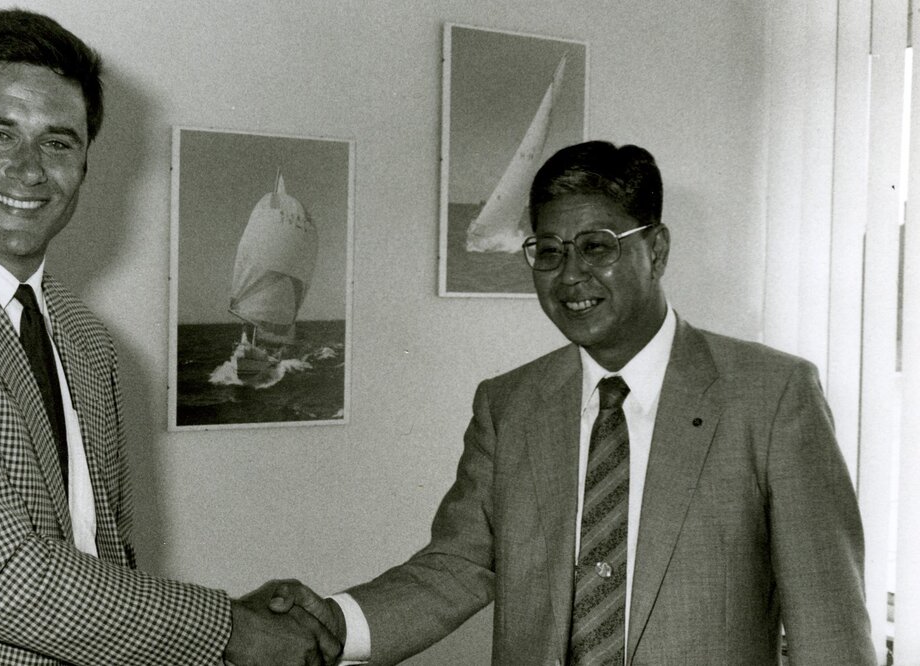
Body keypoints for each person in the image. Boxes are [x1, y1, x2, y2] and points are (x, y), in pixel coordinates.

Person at [0, 9, 337, 665]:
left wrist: (238, 621)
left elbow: (98, 558)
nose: (28, 170)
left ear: (84, 163)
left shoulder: (83, 335)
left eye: (57, 143)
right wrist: (229, 630)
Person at [269, 141, 876, 665]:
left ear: (657, 251)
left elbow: (830, 627)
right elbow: (454, 567)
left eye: (597, 247)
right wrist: (331, 622)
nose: (569, 276)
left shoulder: (771, 397)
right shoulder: (508, 406)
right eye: (550, 251)